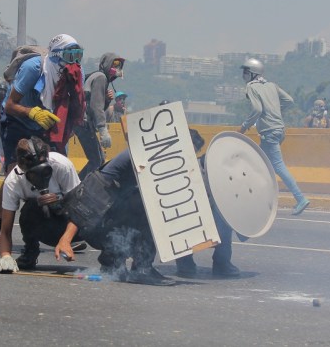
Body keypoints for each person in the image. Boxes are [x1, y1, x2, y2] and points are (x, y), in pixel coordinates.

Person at [0, 34, 86, 251]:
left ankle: (64, 233)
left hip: (48, 124)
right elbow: (10, 105)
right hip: (18, 120)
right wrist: (32, 113)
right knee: (15, 172)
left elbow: (73, 107)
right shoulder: (34, 68)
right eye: (70, 55)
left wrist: (65, 131)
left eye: (78, 56)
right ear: (57, 55)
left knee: (56, 173)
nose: (74, 62)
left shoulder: (78, 73)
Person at [54, 148, 176, 286]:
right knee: (148, 211)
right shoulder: (105, 179)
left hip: (110, 217)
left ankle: (122, 265)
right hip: (96, 226)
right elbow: (84, 208)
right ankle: (131, 267)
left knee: (145, 206)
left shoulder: (149, 157)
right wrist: (66, 240)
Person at [0, 136, 83, 271]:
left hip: (74, 226)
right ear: (23, 169)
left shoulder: (61, 165)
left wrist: (66, 238)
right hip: (45, 230)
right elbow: (5, 231)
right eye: (34, 174)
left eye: (45, 171)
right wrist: (5, 256)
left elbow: (81, 208)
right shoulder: (13, 182)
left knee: (101, 210)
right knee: (30, 209)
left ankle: (112, 255)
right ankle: (30, 251)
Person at [238, 58, 310, 216]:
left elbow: (257, 109)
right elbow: (289, 100)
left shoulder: (251, 87)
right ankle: (258, 200)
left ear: (252, 74)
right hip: (279, 130)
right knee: (261, 166)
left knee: (277, 166)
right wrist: (274, 110)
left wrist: (243, 127)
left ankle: (300, 198)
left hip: (269, 132)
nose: (243, 76)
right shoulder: (271, 85)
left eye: (245, 72)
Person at [175, 128, 240, 278]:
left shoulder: (206, 164)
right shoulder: (173, 167)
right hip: (186, 211)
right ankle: (185, 262)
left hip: (207, 208)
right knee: (180, 221)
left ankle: (222, 262)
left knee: (225, 220)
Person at [73, 52, 124, 180]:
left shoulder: (100, 78)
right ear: (106, 64)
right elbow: (96, 107)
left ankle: (77, 186)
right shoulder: (101, 77)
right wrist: (103, 130)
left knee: (99, 159)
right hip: (83, 123)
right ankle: (77, 188)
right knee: (97, 160)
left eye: (119, 65)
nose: (117, 68)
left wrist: (106, 100)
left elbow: (96, 104)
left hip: (82, 123)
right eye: (115, 64)